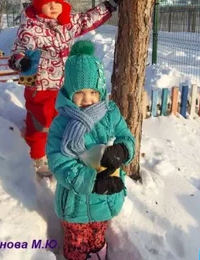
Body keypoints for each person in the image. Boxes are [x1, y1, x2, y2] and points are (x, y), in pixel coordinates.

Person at [8, 0, 120, 177]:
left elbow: (87, 19)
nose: (53, 7)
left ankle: (61, 149)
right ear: (38, 3)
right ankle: (37, 156)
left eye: (57, 2)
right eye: (48, 2)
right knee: (40, 121)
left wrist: (111, 4)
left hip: (61, 84)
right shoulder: (30, 27)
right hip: (38, 84)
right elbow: (19, 49)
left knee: (61, 119)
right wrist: (20, 60)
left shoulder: (65, 23)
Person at [47, 40, 135, 260]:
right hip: (75, 202)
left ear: (101, 89)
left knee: (98, 234)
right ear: (68, 92)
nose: (88, 99)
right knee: (77, 242)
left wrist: (123, 151)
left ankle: (98, 252)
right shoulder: (61, 124)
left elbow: (127, 137)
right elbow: (60, 162)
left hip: (106, 197)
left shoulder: (110, 113)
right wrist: (91, 181)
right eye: (80, 93)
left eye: (94, 92)